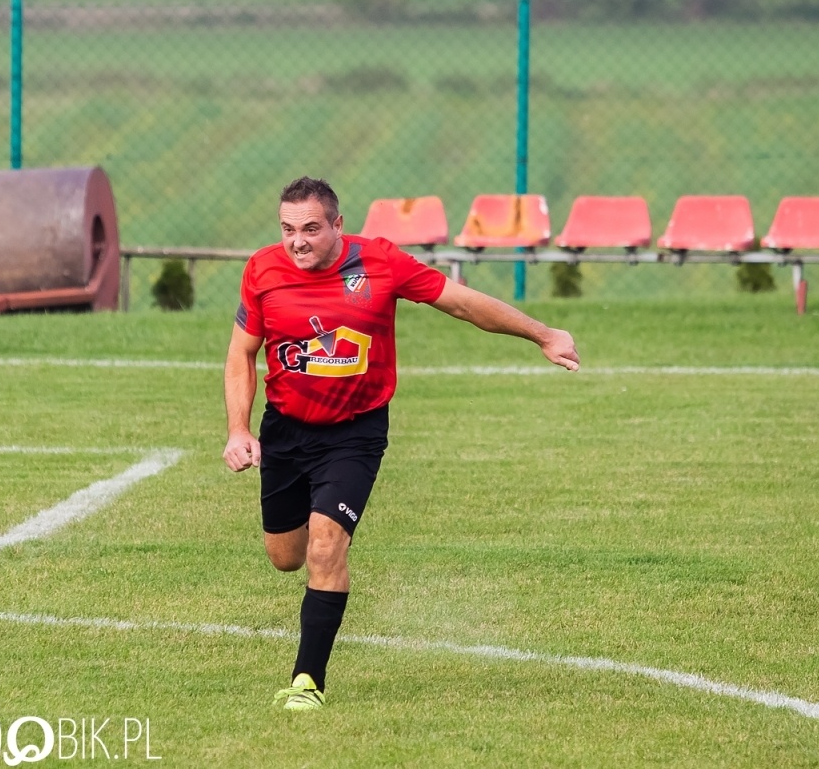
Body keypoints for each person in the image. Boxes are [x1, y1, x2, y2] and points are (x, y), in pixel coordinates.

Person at [223, 176, 579, 711]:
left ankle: (307, 681)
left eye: (312, 229)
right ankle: (314, 552)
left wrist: (543, 334)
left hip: (355, 432)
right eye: (289, 229)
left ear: (338, 226)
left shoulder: (382, 263)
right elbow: (241, 354)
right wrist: (238, 429)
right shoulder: (262, 270)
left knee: (326, 544)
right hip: (287, 431)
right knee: (286, 557)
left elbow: (461, 303)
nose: (298, 241)